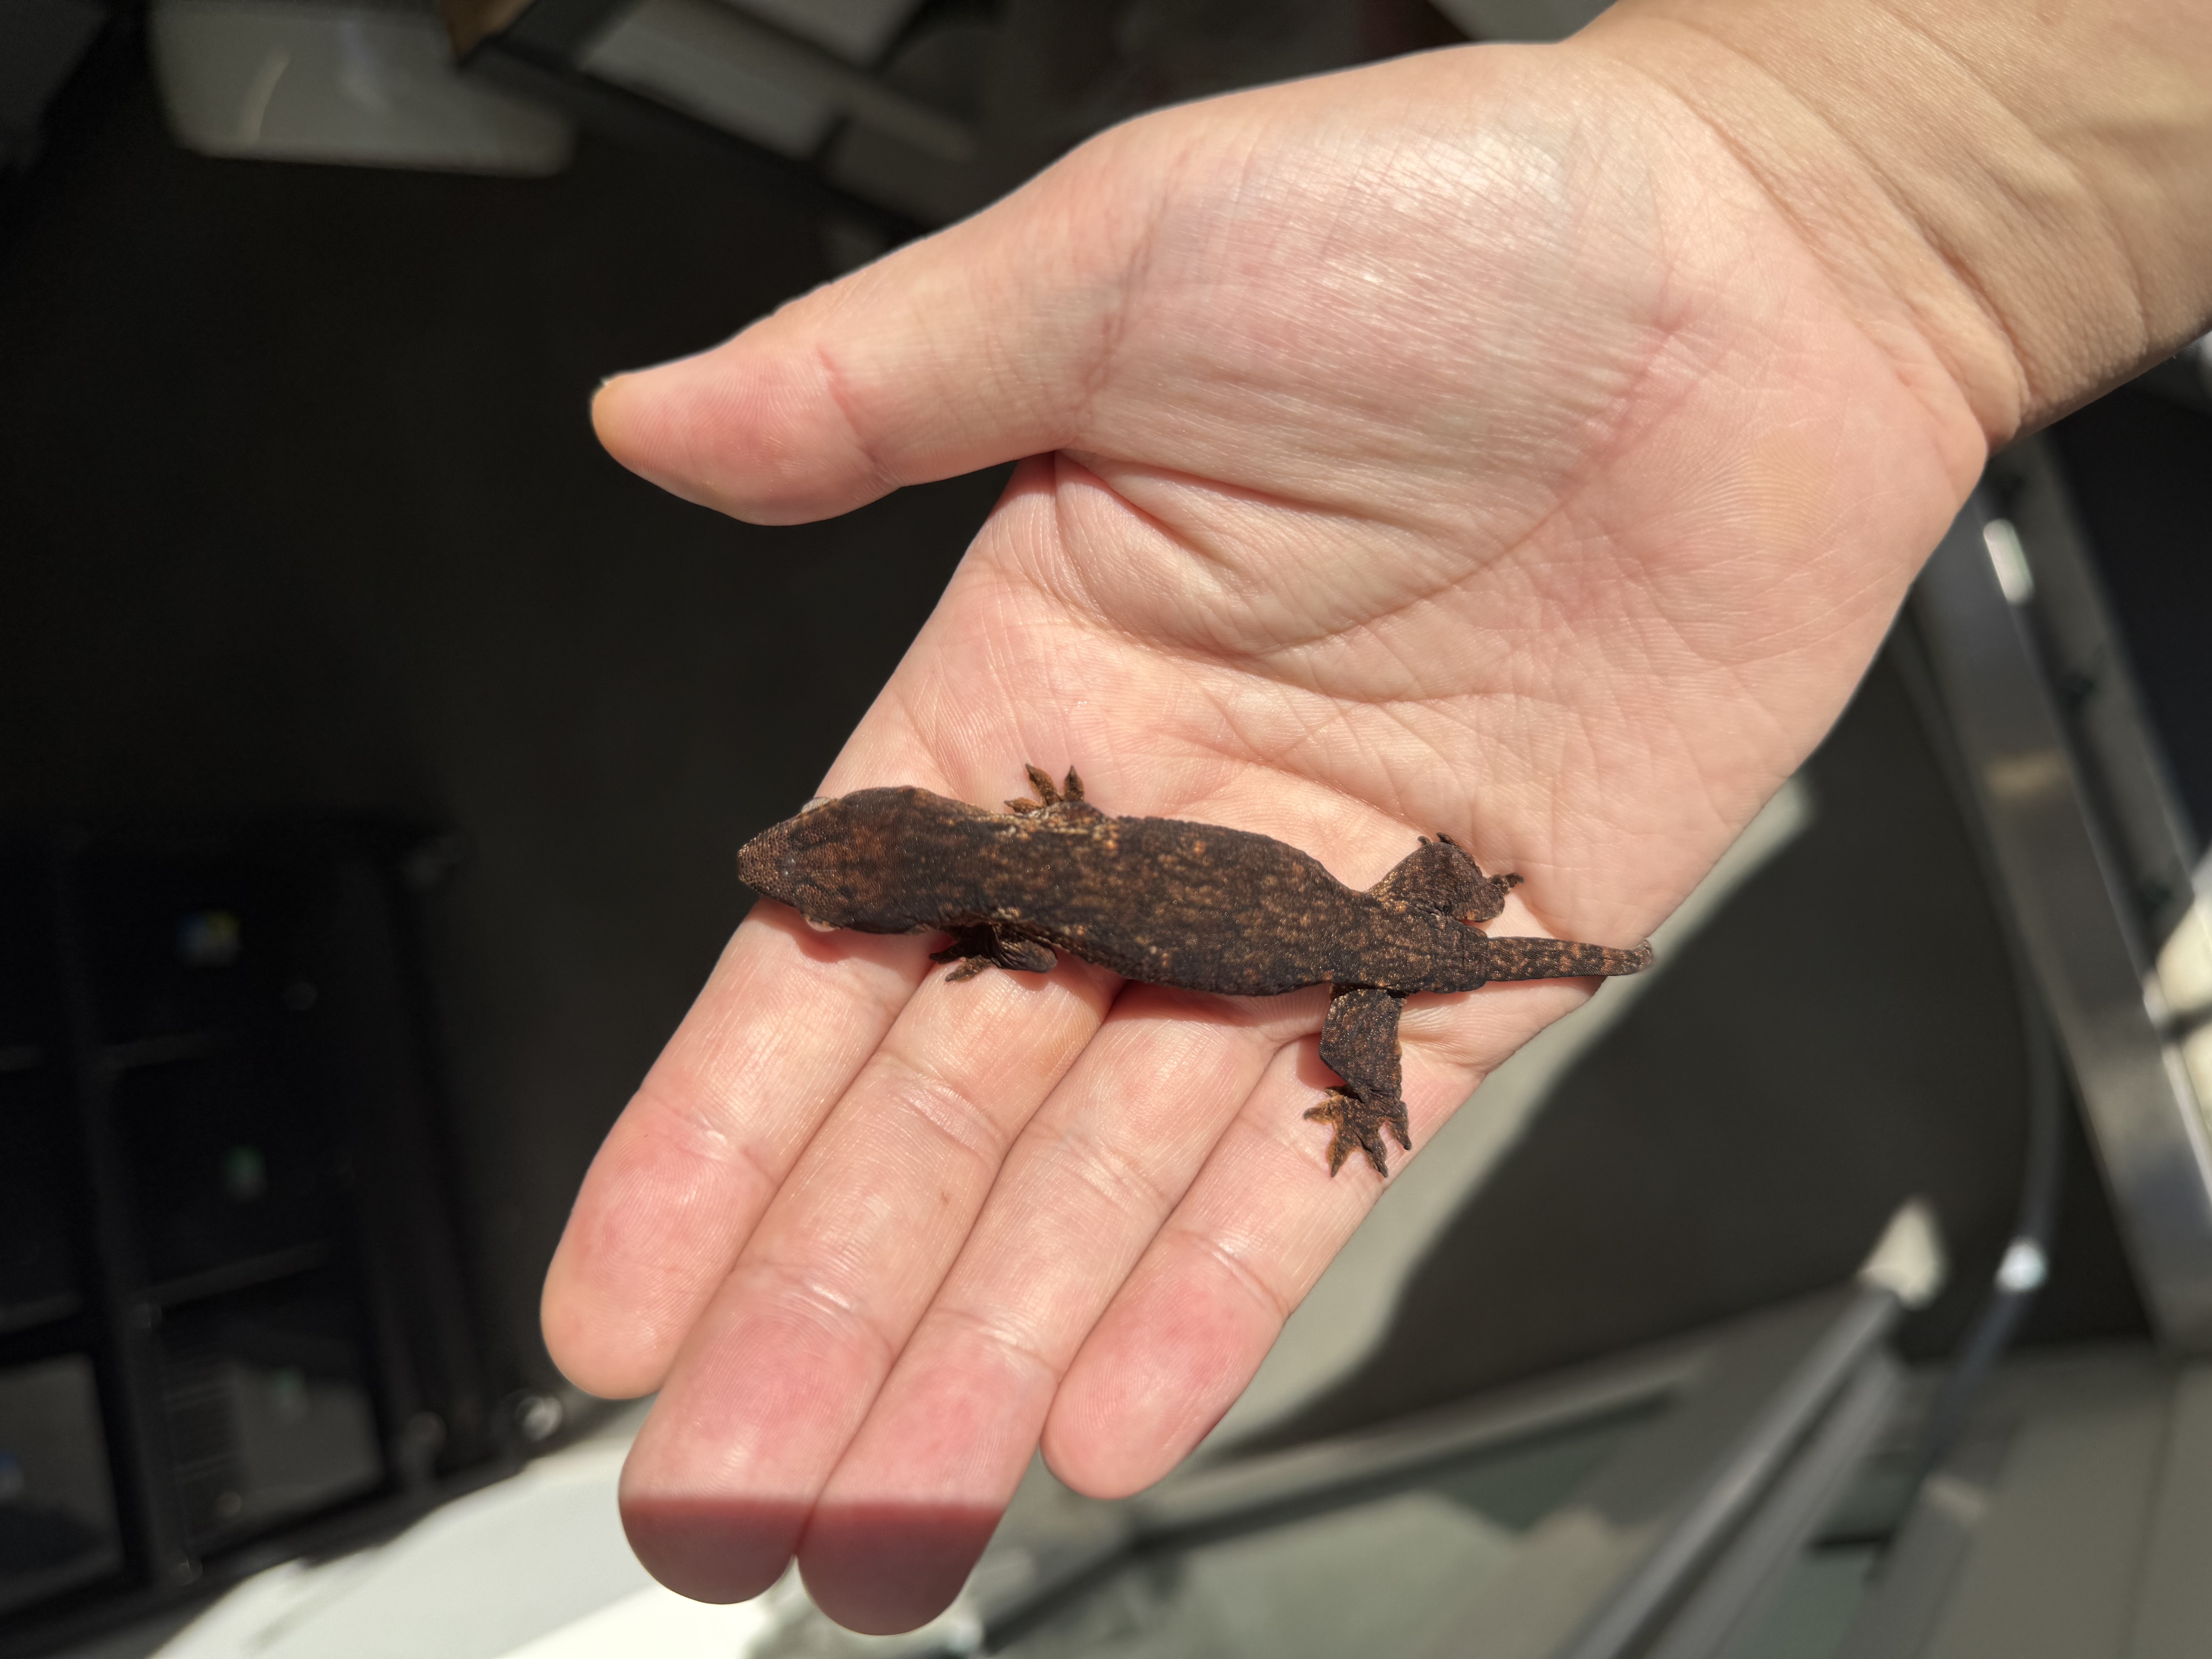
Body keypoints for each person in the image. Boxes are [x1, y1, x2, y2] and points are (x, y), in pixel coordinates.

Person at [544, 0, 2212, 1634]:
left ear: (917, 861)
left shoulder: (1033, 912)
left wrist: (1349, 1062)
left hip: (1368, 951)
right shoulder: (1035, 876)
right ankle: (1486, 939)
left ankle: (1491, 965)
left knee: (1380, 1009)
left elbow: (1057, 911)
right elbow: (1071, 872)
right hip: (1365, 924)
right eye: (833, 886)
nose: (803, 881)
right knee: (1396, 975)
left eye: (830, 880)